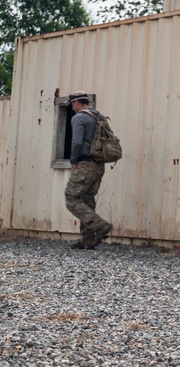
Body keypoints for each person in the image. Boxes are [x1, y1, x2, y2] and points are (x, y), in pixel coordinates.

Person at [65, 92, 113, 250]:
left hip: (86, 163)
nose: (72, 108)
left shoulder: (79, 117)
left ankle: (100, 226)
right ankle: (87, 240)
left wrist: (73, 159)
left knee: (71, 197)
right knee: (86, 200)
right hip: (99, 165)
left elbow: (77, 141)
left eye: (73, 104)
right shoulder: (99, 117)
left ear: (78, 102)